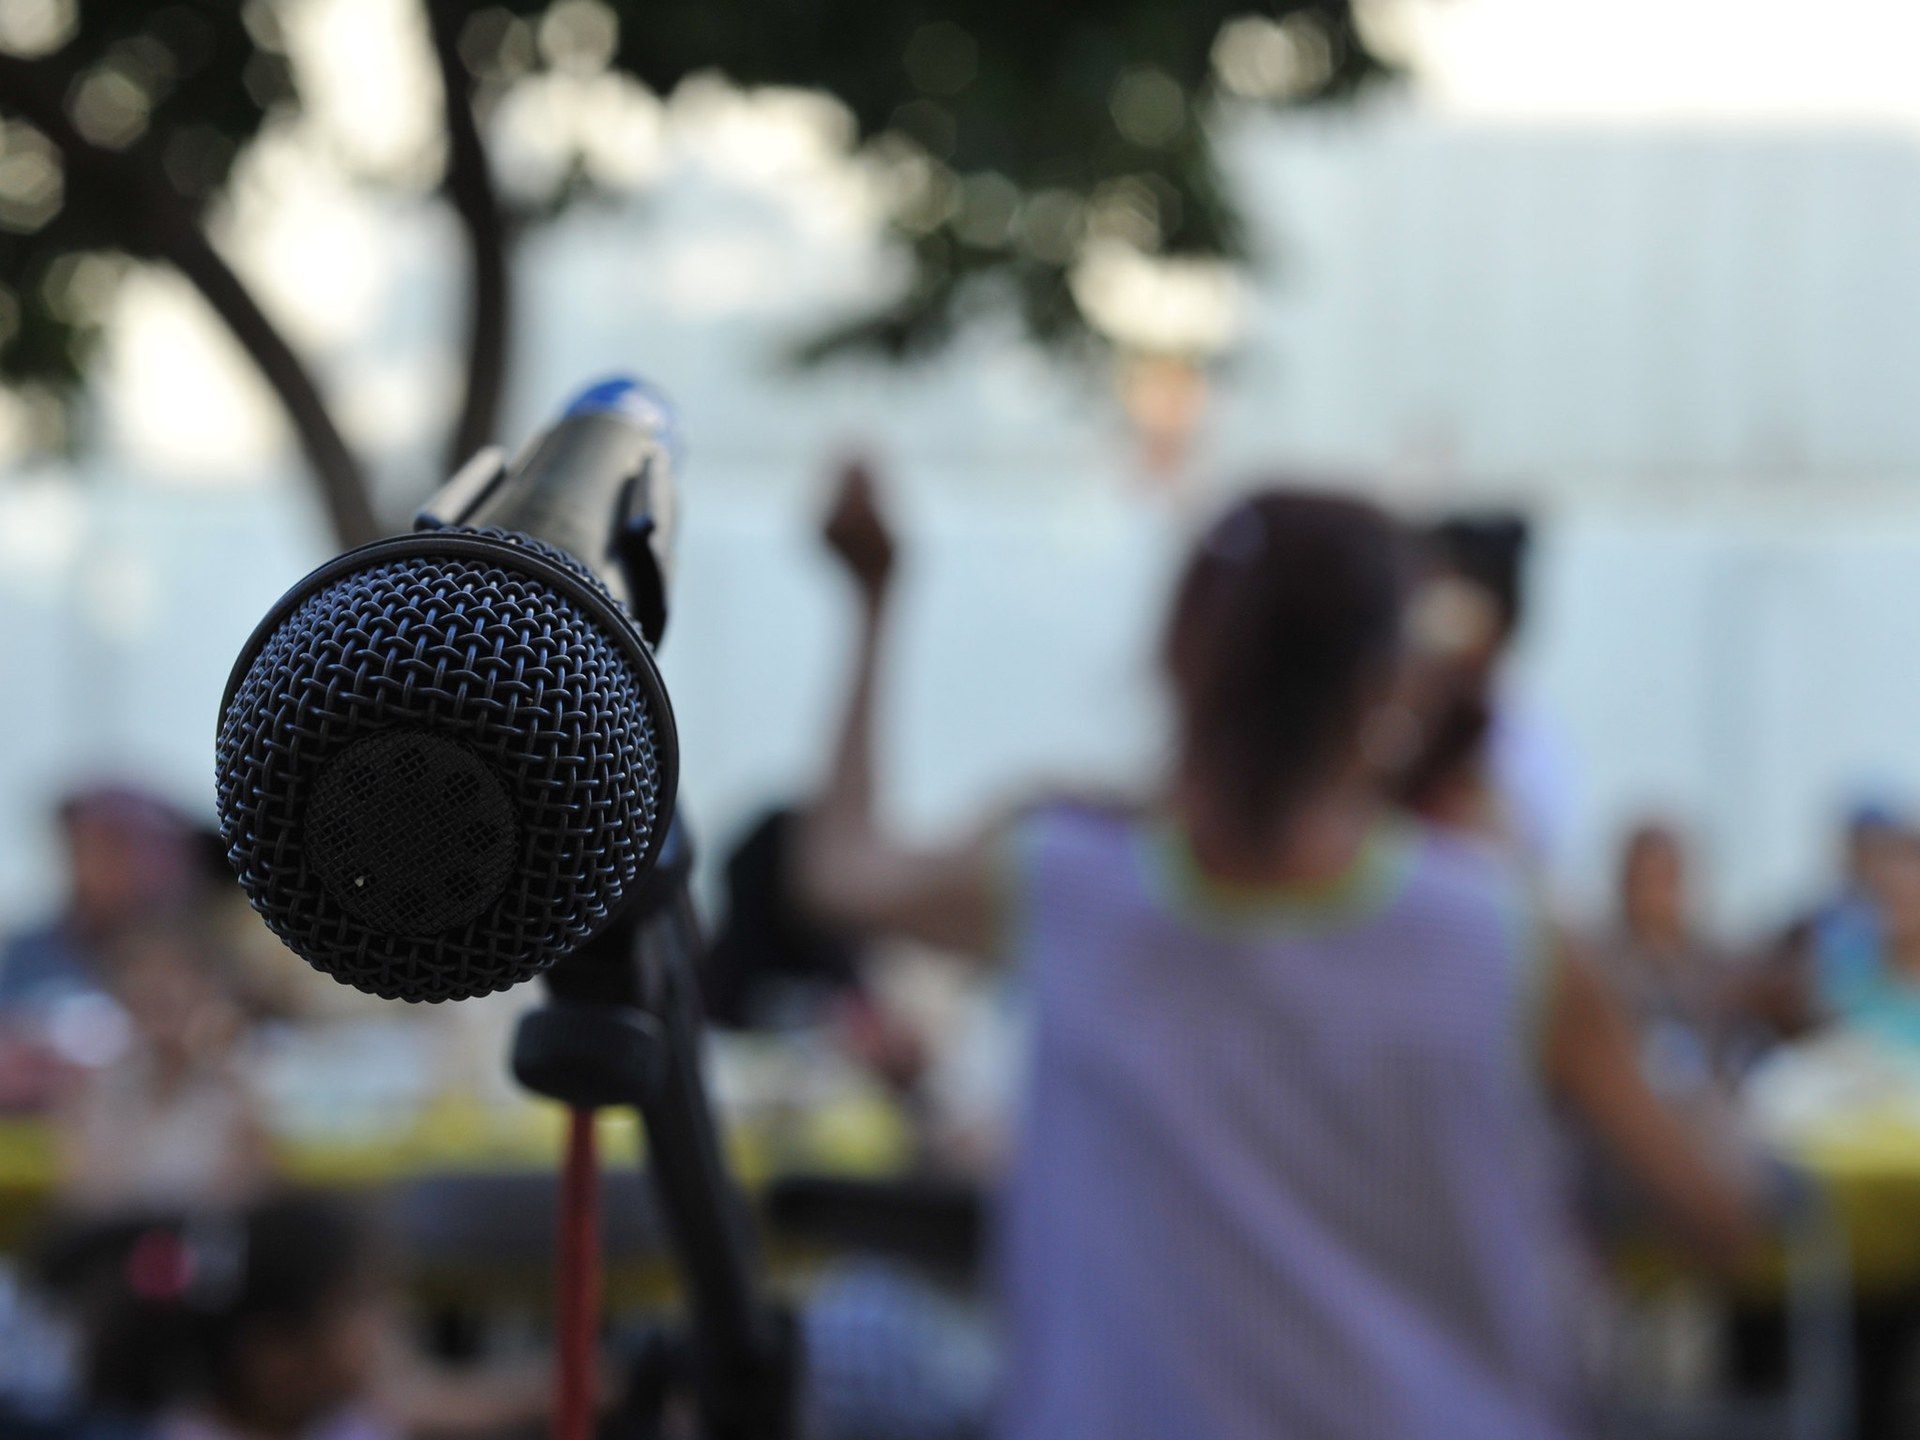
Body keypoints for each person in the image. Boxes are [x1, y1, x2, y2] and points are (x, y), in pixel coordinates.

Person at [796, 466, 1766, 1440]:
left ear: (1181, 658)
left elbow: (839, 868)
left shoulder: (1069, 889)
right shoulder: (1501, 935)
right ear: (1386, 685)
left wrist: (874, 602)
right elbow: (1718, 1212)